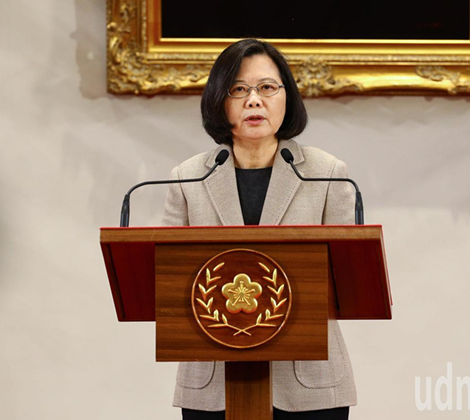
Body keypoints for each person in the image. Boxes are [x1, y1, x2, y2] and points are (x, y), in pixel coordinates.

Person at [162, 39, 357, 420]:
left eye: (267, 87)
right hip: (212, 385)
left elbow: (348, 280)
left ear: (287, 98)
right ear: (219, 101)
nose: (254, 100)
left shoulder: (327, 173)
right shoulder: (187, 178)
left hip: (309, 384)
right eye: (238, 89)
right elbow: (167, 282)